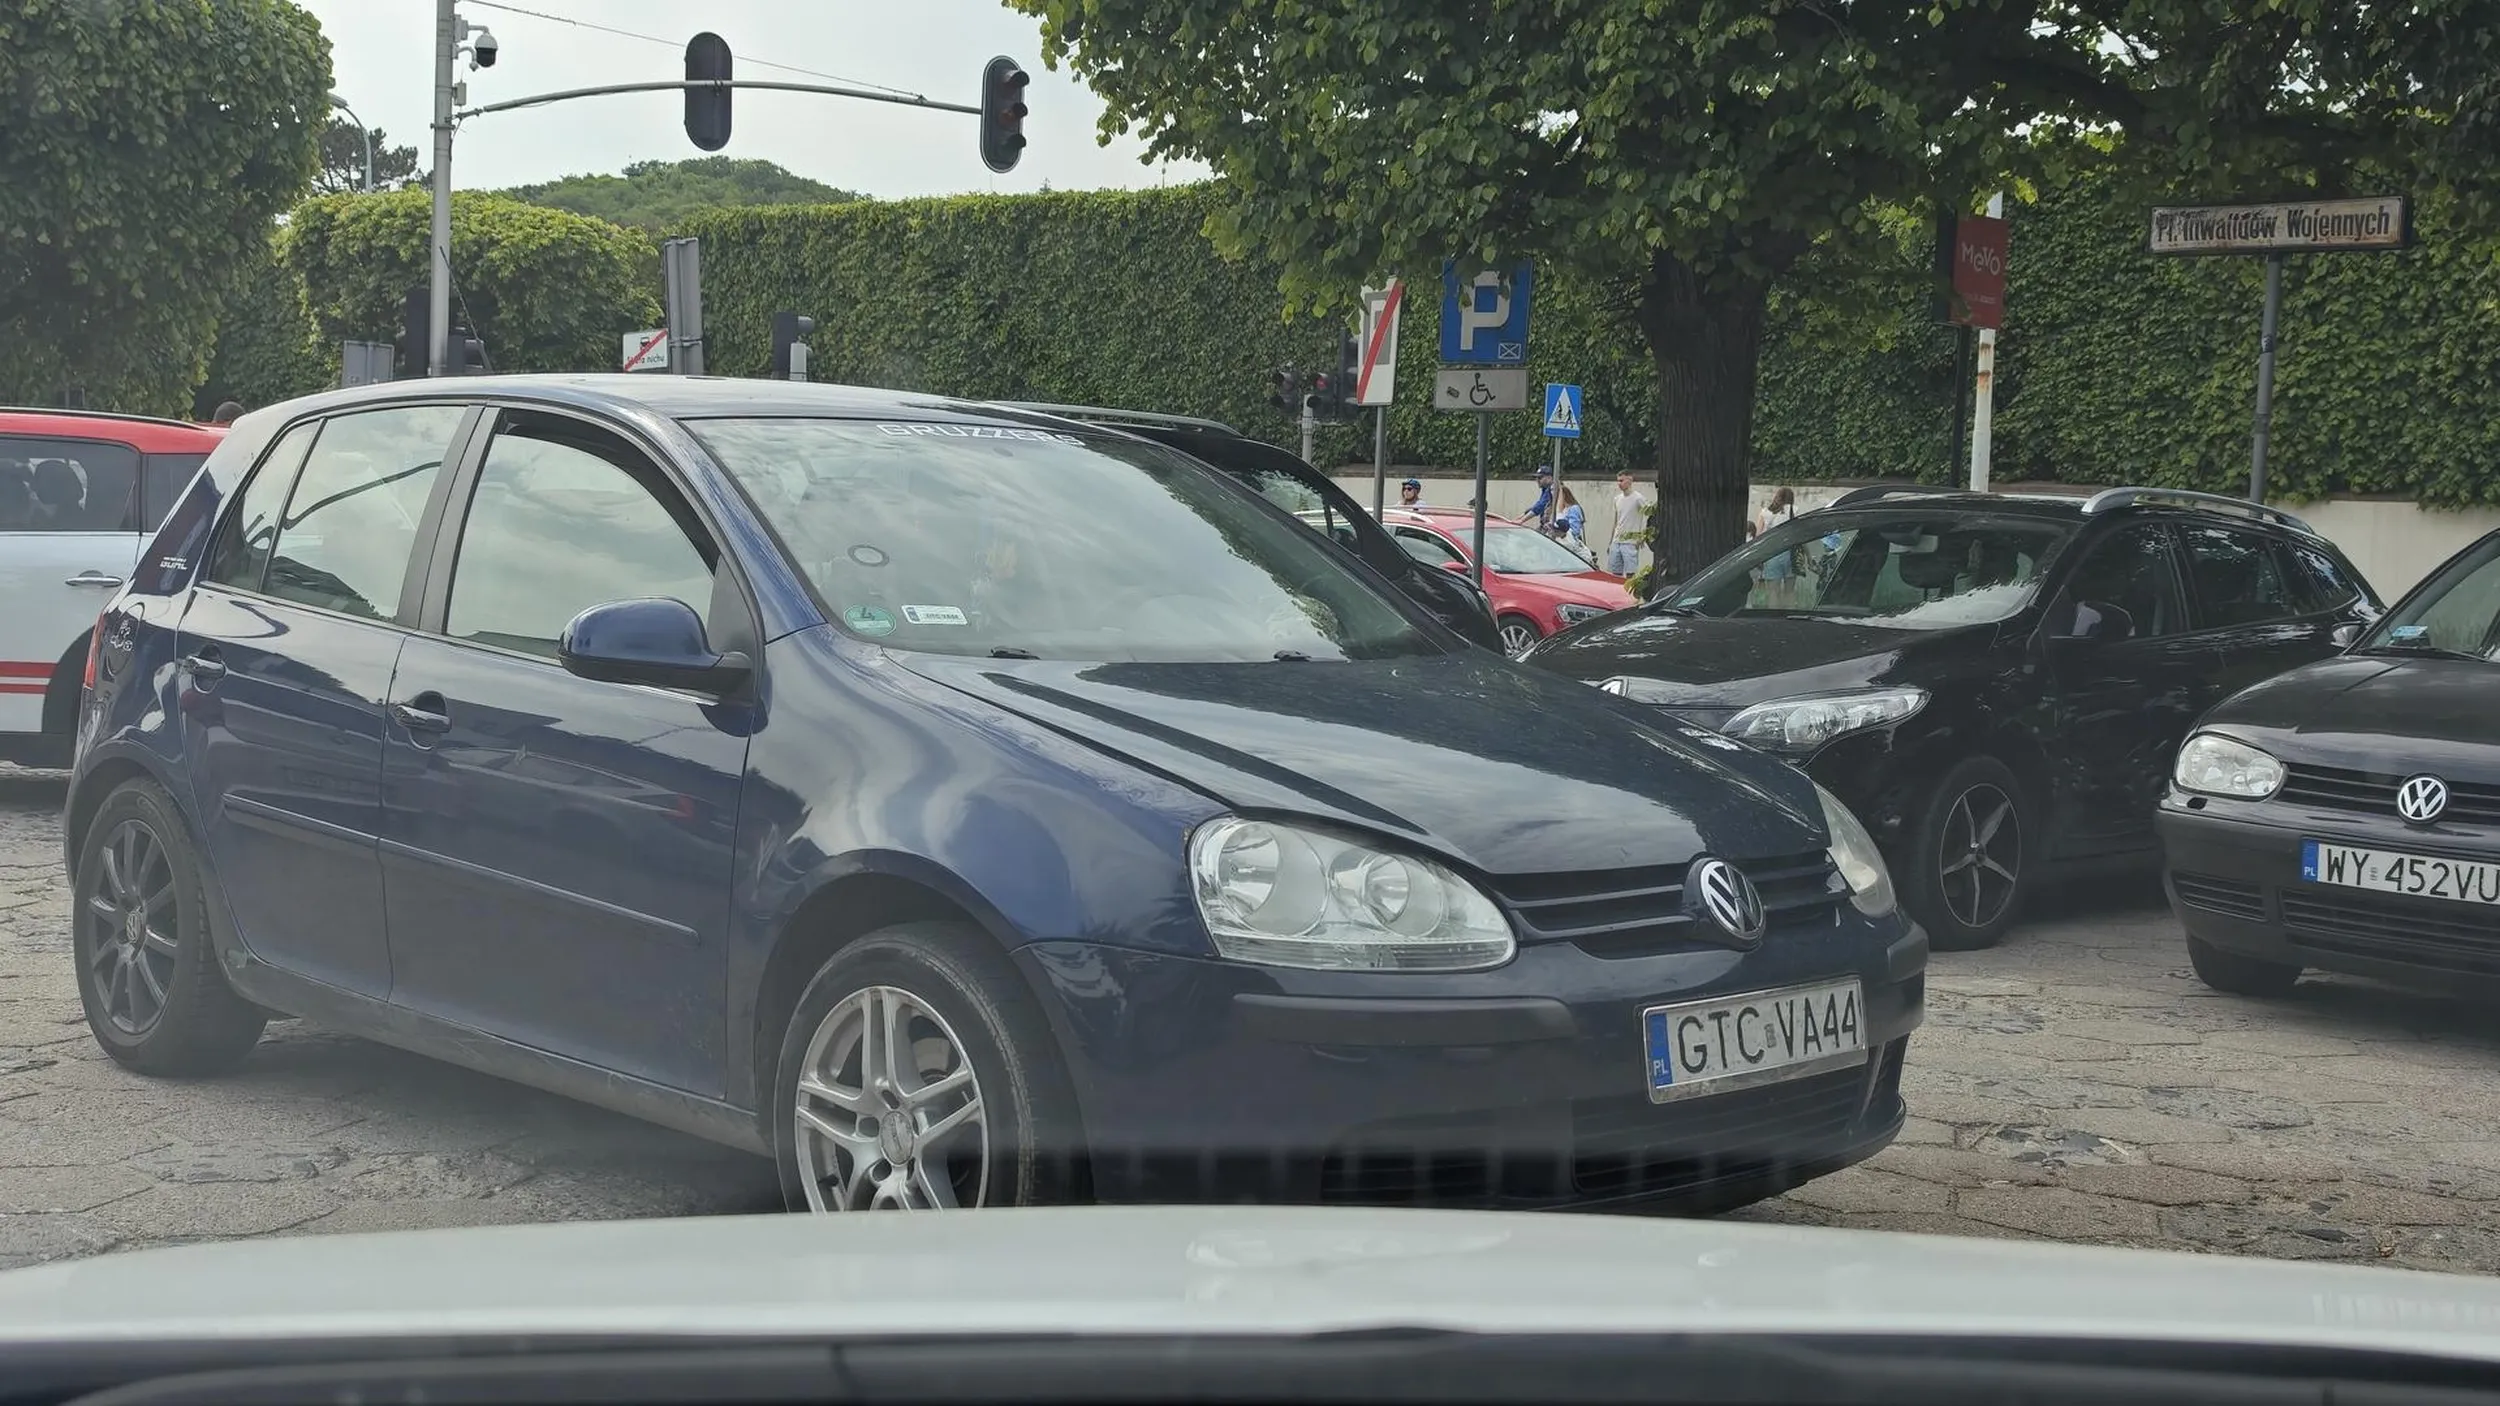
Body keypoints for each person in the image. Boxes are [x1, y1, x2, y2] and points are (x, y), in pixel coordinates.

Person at [1755, 486, 1800, 606]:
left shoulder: (1765, 512)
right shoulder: (1795, 510)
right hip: (1790, 554)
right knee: (1790, 591)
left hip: (1772, 555)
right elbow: (1798, 533)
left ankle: (1774, 615)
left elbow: (1758, 536)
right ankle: (1789, 614)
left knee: (1773, 592)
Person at [1607, 470, 1648, 576]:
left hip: (1630, 542)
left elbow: (1648, 516)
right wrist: (1610, 542)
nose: (1619, 483)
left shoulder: (1638, 498)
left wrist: (1642, 536)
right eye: (1618, 481)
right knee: (1615, 573)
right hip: (1616, 540)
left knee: (1630, 573)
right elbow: (1616, 521)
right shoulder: (1617, 499)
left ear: (1630, 480)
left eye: (1622, 480)